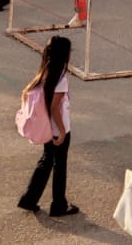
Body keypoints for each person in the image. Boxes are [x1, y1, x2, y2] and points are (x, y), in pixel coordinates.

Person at [17, 36, 79, 218]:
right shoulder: (61, 78)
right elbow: (54, 106)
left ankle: (29, 198)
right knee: (60, 166)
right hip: (58, 130)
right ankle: (59, 204)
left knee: (46, 161)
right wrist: (61, 130)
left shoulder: (44, 73)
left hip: (46, 128)